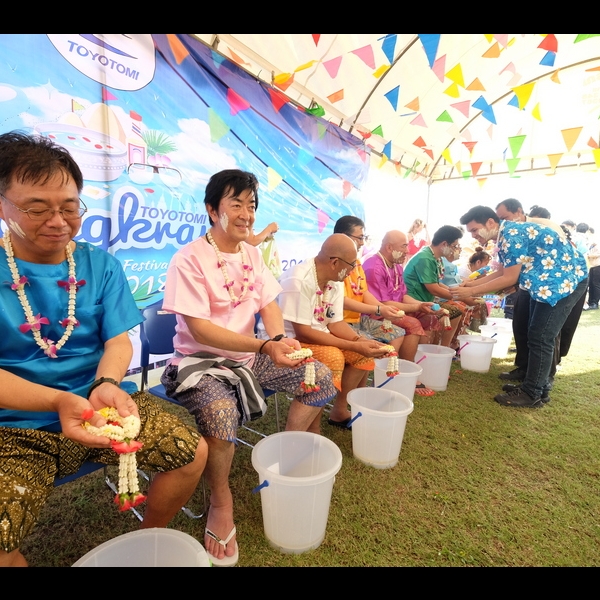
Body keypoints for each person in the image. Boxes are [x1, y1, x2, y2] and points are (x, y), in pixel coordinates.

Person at [0, 132, 207, 567]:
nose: (58, 221)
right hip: (13, 427)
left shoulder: (99, 264)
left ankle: (148, 542)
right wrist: (57, 401)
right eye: (37, 208)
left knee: (191, 450)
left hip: (99, 409)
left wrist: (107, 382)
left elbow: (117, 338)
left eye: (69, 207)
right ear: (3, 205)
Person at [161, 169, 336, 566]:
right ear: (212, 209)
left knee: (319, 377)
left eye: (252, 205)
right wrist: (265, 345)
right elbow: (201, 330)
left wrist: (279, 341)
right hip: (198, 364)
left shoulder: (252, 254)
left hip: (251, 356)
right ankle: (221, 503)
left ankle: (284, 454)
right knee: (222, 413)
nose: (246, 214)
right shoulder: (188, 259)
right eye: (235, 203)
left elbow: (268, 304)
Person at [456, 205, 588, 408]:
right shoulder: (506, 234)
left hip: (563, 283)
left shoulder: (512, 234)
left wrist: (471, 292)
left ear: (490, 222)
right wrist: (470, 284)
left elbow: (509, 278)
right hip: (550, 283)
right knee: (536, 334)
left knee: (541, 337)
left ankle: (532, 393)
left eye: (474, 230)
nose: (474, 236)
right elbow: (501, 272)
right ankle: (537, 387)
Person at [278, 234, 389, 428]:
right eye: (351, 265)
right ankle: (314, 427)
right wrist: (353, 344)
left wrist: (359, 340)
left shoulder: (334, 281)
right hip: (290, 340)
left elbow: (335, 323)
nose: (353, 270)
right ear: (335, 262)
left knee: (362, 353)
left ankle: (338, 410)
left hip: (318, 335)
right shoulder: (299, 279)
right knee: (334, 357)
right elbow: (303, 332)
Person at [362, 230, 446, 394]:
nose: (408, 251)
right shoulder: (373, 266)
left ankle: (419, 367)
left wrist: (423, 305)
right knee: (412, 323)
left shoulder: (396, 266)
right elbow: (383, 304)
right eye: (404, 246)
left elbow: (403, 296)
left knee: (430, 317)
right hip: (375, 314)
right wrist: (417, 307)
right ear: (389, 247)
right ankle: (407, 373)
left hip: (394, 311)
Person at [403, 225, 471, 348]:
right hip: (413, 301)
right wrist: (461, 296)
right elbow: (434, 289)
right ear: (444, 244)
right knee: (453, 311)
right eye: (454, 246)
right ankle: (439, 348)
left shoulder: (434, 256)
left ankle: (444, 348)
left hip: (426, 300)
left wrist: (458, 293)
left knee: (457, 310)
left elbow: (437, 283)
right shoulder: (425, 258)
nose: (455, 250)